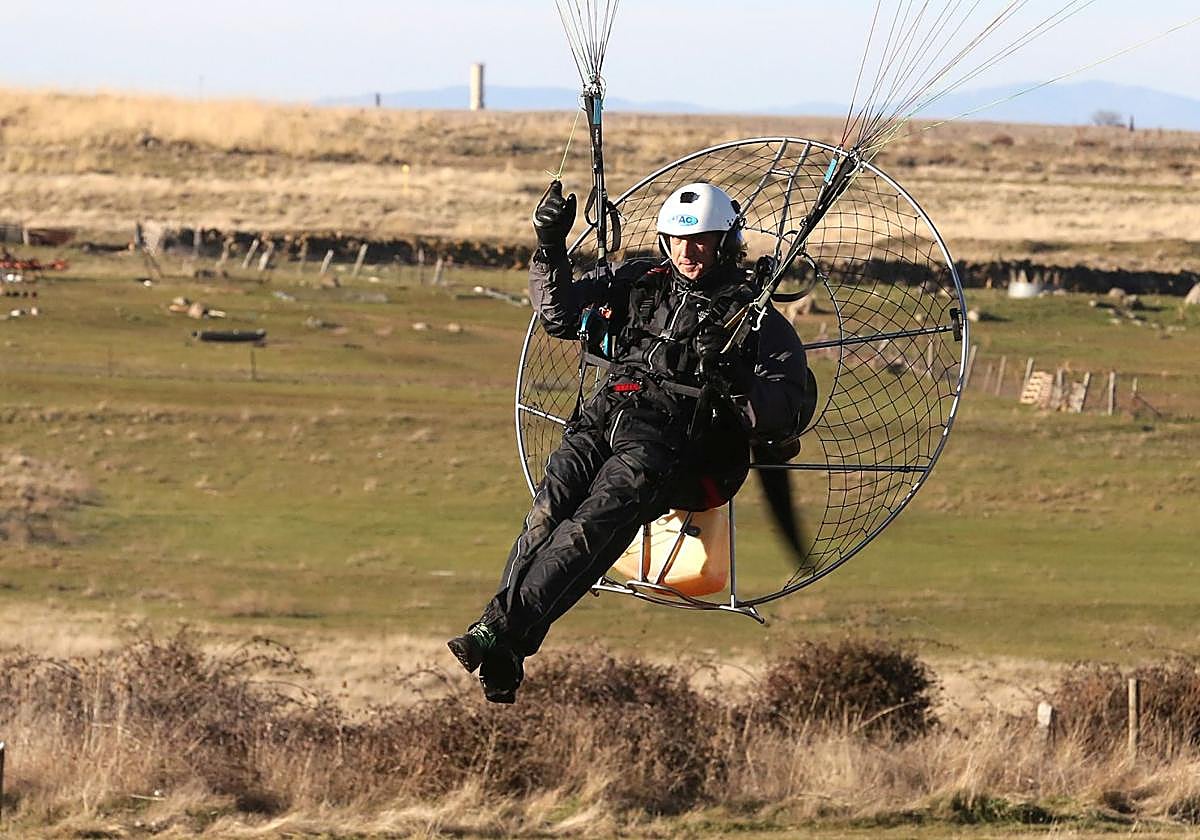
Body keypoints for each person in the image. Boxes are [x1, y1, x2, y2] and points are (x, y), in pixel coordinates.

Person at [448, 181, 812, 703]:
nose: (688, 252)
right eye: (677, 240)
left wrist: (734, 377)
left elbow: (787, 409)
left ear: (726, 240)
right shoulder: (638, 281)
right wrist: (550, 246)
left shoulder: (753, 320)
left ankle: (495, 631)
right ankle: (507, 646)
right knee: (547, 516)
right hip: (603, 414)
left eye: (702, 240)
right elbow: (558, 314)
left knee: (587, 530)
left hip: (670, 441)